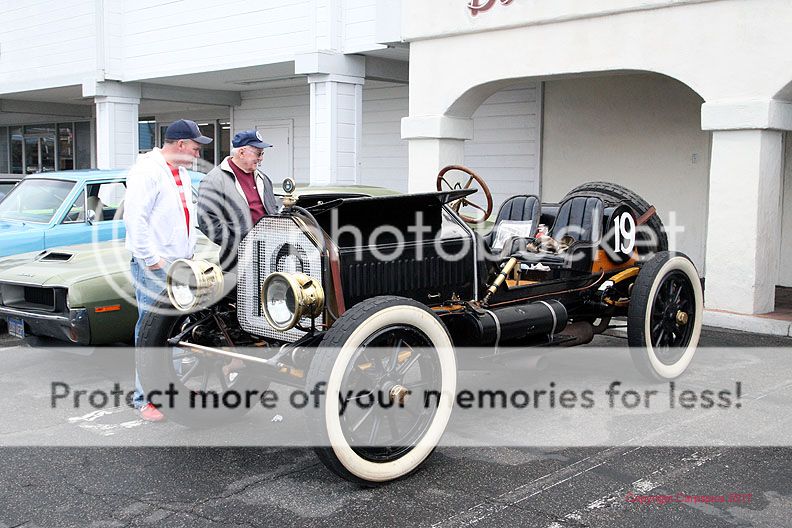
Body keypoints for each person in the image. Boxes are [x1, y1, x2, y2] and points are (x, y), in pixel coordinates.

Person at [124, 119, 212, 421]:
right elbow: (135, 220)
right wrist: (152, 260)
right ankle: (144, 397)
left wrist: (188, 255)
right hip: (156, 265)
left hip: (178, 264)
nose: (198, 153)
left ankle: (171, 392)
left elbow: (184, 217)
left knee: (173, 332)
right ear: (180, 144)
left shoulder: (182, 173)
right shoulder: (146, 171)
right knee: (150, 330)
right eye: (196, 147)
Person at [197, 130, 278, 274]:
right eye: (258, 154)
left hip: (267, 253)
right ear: (241, 153)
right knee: (239, 296)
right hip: (235, 258)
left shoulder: (263, 179)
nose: (261, 159)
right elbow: (207, 221)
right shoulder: (214, 180)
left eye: (262, 154)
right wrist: (239, 244)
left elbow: (272, 210)